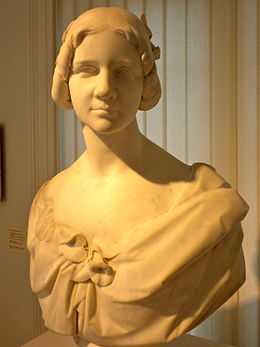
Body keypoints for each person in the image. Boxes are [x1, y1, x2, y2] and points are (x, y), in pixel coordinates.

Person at [27, 7, 249, 347]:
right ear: (66, 81)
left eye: (122, 71)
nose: (105, 88)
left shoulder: (200, 203)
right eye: (87, 70)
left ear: (145, 80)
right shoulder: (48, 202)